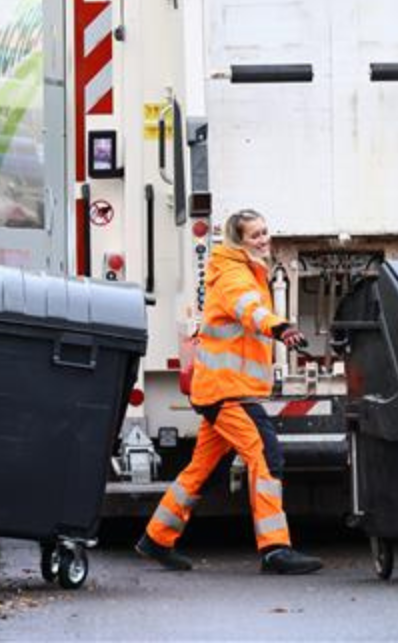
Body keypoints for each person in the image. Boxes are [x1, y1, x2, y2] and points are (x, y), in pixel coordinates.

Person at [136, 209, 323, 575]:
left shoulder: (243, 268)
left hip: (220, 392)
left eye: (266, 232)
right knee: (266, 457)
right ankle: (275, 549)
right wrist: (280, 326)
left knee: (199, 471)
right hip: (228, 394)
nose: (263, 239)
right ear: (238, 241)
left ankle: (156, 538)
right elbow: (248, 310)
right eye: (255, 235)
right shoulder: (235, 275)